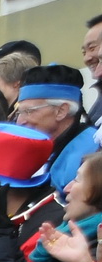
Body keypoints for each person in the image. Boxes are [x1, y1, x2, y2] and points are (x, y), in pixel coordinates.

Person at [12, 66, 100, 199]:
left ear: (61, 111)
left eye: (29, 111)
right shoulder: (36, 148)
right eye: (19, 113)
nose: (20, 122)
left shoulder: (94, 151)